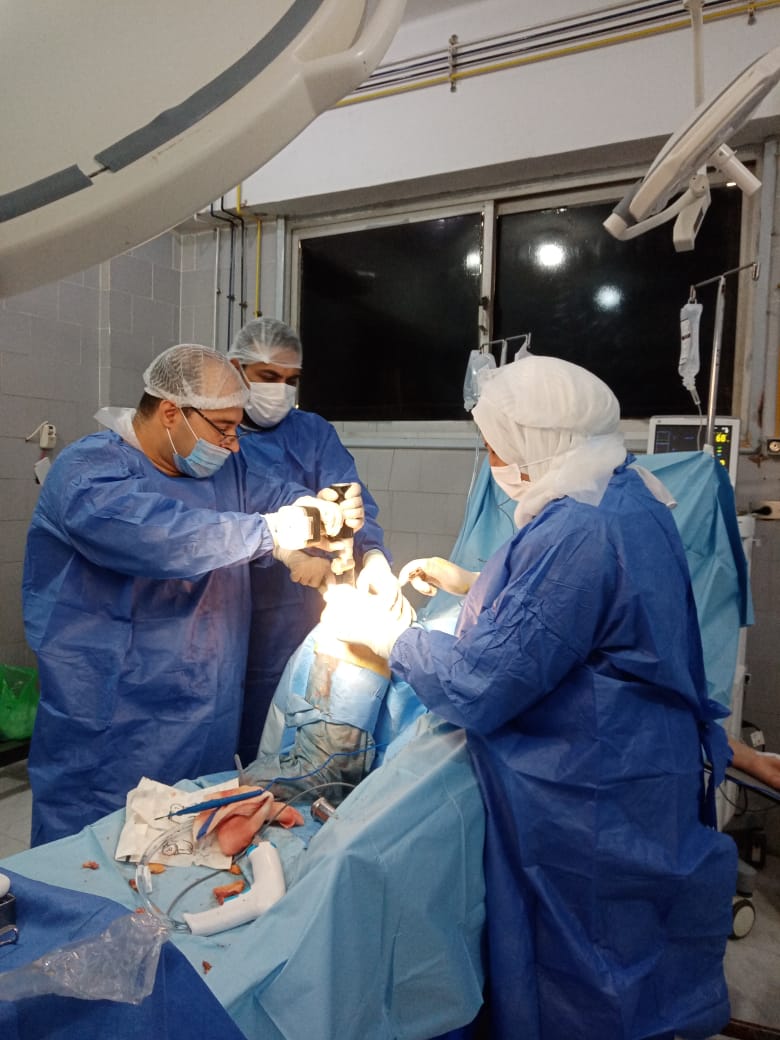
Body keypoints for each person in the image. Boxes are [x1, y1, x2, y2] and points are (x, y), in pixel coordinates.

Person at [322, 355, 737, 1040]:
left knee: (588, 970)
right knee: (636, 951)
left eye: (495, 446)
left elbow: (479, 685)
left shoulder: (579, 528)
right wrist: (472, 581)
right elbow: (587, 609)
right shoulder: (626, 490)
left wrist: (393, 639)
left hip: (589, 786)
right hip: (641, 761)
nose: (493, 462)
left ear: (539, 442)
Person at [22, 344, 351, 847]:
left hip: (205, 711)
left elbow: (272, 492)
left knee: (190, 842)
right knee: (92, 854)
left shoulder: (222, 467)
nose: (233, 445)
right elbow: (164, 536)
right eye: (224, 428)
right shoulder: (88, 474)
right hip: (113, 719)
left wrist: (317, 506)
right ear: (172, 413)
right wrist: (274, 532)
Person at [227, 318, 396, 764]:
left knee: (298, 712)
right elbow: (223, 515)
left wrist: (372, 555)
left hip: (302, 609)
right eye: (268, 376)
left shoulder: (313, 433)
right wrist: (285, 549)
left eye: (291, 380)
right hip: (231, 607)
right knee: (236, 724)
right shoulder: (219, 436)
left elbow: (352, 502)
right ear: (236, 368)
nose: (280, 390)